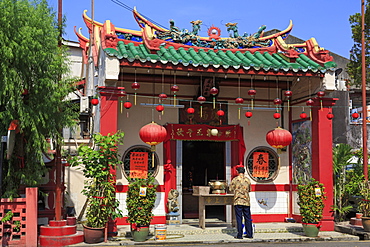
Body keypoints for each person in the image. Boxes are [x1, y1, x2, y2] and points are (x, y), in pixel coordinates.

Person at [230, 166, 253, 239]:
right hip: (246, 201)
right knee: (248, 218)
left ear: (237, 172)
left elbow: (230, 188)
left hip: (238, 201)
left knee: (239, 218)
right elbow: (250, 190)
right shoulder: (248, 180)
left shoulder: (235, 180)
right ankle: (249, 234)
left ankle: (239, 235)